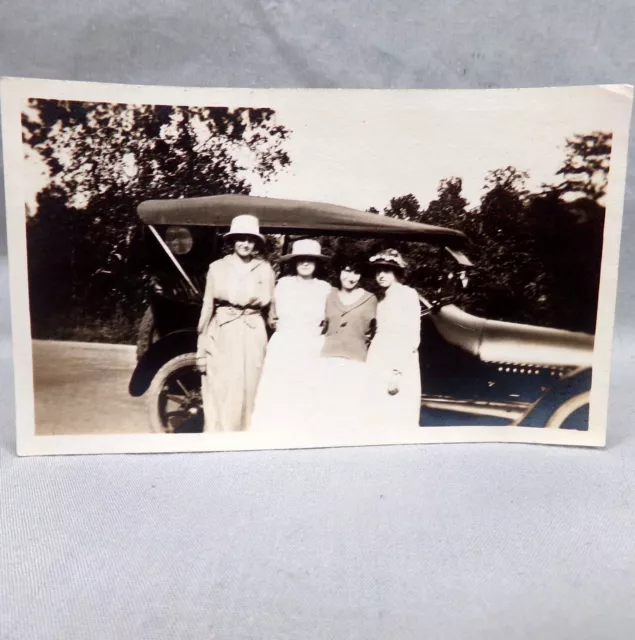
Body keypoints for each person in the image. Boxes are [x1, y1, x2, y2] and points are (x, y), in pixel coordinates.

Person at [196, 214, 275, 432]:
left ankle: (246, 441)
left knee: (251, 387)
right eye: (240, 238)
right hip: (223, 331)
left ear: (256, 243)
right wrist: (200, 349)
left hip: (253, 331)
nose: (245, 244)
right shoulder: (217, 268)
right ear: (232, 241)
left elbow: (273, 310)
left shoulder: (265, 269)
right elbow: (207, 307)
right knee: (221, 386)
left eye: (250, 239)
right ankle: (218, 441)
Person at [250, 239, 332, 432]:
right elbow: (271, 312)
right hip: (285, 345)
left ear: (316, 263)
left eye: (310, 260)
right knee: (280, 393)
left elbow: (330, 318)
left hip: (311, 347)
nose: (305, 263)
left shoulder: (325, 288)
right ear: (294, 262)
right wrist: (273, 319)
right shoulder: (283, 284)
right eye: (300, 259)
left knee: (307, 395)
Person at [316, 254, 378, 433]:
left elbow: (374, 331)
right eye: (346, 271)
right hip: (328, 358)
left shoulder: (370, 299)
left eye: (356, 273)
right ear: (339, 271)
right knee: (326, 408)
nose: (350, 277)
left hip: (355, 360)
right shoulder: (329, 296)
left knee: (350, 409)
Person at [366, 249, 422, 428]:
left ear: (396, 273)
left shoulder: (407, 294)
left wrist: (398, 371)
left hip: (399, 356)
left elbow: (412, 333)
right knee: (376, 408)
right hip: (379, 354)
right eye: (378, 271)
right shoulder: (382, 299)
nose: (381, 275)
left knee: (398, 407)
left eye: (387, 271)